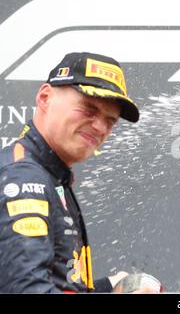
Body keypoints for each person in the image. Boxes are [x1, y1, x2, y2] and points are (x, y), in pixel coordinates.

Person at [0, 52, 156, 293]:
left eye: (110, 120)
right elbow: (26, 289)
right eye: (88, 109)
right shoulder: (25, 178)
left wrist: (109, 288)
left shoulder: (50, 175)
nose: (100, 127)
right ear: (44, 97)